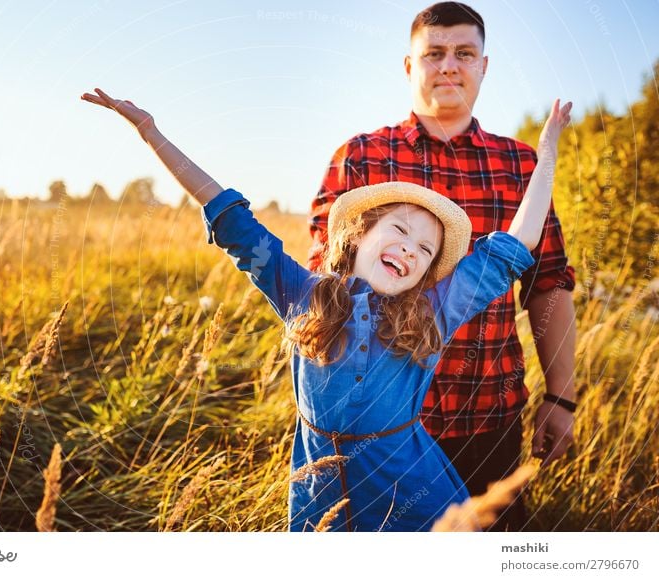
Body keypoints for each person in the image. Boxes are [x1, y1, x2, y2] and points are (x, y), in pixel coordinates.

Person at [80, 85, 571, 532]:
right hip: (320, 496)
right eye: (399, 231)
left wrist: (547, 149)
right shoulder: (302, 295)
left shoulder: (433, 313)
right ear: (359, 235)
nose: (408, 250)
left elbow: (517, 243)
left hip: (416, 501)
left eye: (425, 251)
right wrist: (152, 134)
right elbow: (231, 219)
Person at [306, 2, 578, 530]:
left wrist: (561, 395)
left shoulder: (521, 165)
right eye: (433, 53)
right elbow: (326, 278)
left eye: (463, 53)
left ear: (483, 65)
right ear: (410, 66)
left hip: (488, 415)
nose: (449, 65)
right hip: (375, 423)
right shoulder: (361, 157)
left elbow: (548, 282)